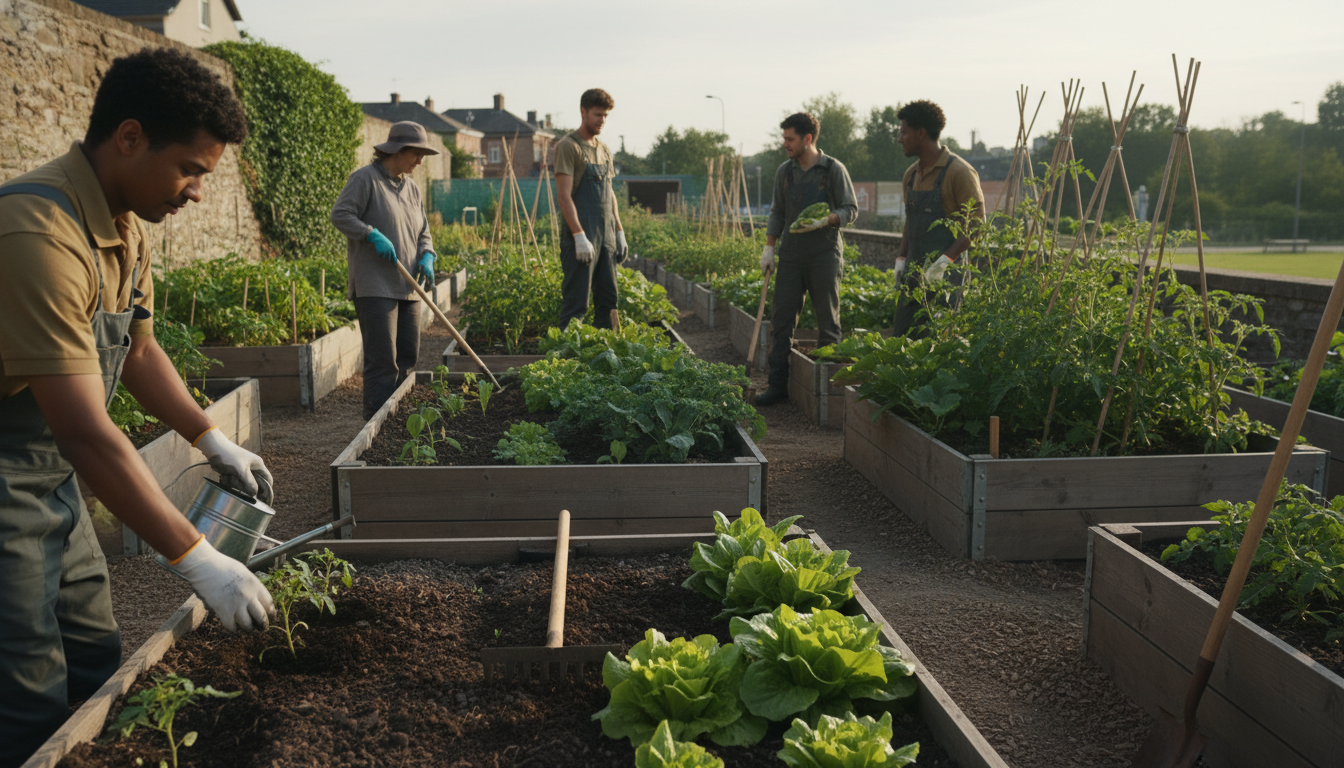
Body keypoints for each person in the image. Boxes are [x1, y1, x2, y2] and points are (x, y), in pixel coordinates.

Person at [0, 47, 276, 766]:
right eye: (190, 169)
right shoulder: (36, 234)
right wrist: (198, 558)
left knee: (94, 653)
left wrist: (210, 437)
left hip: (49, 475)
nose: (197, 193)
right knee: (25, 686)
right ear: (129, 138)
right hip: (10, 470)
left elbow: (142, 351)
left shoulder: (124, 228)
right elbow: (87, 433)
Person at [331, 121, 438, 420]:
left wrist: (427, 254)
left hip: (409, 286)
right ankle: (376, 428)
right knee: (383, 362)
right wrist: (370, 233)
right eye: (417, 154)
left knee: (407, 358)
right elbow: (340, 214)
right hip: (375, 286)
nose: (420, 161)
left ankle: (400, 423)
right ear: (398, 150)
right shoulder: (365, 179)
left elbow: (424, 232)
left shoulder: (412, 188)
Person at [755, 112, 858, 406]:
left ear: (807, 139)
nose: (785, 144)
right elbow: (777, 211)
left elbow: (851, 208)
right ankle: (777, 386)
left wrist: (829, 219)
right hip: (790, 254)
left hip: (824, 253)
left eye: (790, 139)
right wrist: (769, 248)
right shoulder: (785, 172)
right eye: (784, 138)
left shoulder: (832, 169)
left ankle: (829, 393)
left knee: (828, 320)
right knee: (782, 319)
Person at [892, 100, 985, 338]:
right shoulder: (911, 175)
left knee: (938, 342)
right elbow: (911, 219)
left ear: (921, 133)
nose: (900, 139)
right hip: (913, 275)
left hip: (946, 280)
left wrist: (943, 262)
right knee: (902, 340)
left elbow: (975, 226)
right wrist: (902, 257)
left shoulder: (959, 172)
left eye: (904, 132)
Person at [554, 88, 627, 330]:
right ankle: (569, 351)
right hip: (582, 236)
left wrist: (619, 231)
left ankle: (606, 350)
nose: (602, 120)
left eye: (605, 115)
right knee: (577, 303)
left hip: (606, 235)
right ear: (583, 112)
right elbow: (564, 196)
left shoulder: (604, 149)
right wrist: (578, 235)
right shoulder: (568, 146)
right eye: (597, 114)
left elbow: (610, 192)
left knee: (609, 300)